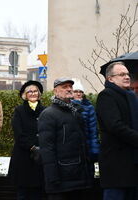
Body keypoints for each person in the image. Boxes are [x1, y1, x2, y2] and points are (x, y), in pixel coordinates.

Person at [38, 78, 93, 200]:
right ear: (55, 91)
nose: (69, 89)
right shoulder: (48, 114)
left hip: (78, 177)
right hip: (60, 180)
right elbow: (47, 150)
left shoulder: (76, 112)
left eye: (70, 87)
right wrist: (52, 178)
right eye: (64, 87)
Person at [96, 62, 138, 200]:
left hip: (132, 162)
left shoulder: (131, 96)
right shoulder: (106, 96)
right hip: (116, 165)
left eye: (127, 74)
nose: (126, 77)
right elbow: (115, 126)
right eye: (121, 74)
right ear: (110, 79)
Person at [8, 80, 45, 200]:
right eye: (30, 92)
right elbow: (19, 133)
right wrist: (32, 147)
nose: (33, 93)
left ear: (39, 94)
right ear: (25, 95)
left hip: (40, 158)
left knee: (37, 193)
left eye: (35, 91)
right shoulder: (19, 111)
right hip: (23, 157)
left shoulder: (45, 110)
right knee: (22, 193)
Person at [71, 79, 100, 163]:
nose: (79, 93)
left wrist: (94, 150)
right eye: (76, 91)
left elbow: (93, 130)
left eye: (81, 91)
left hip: (86, 145)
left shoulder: (89, 107)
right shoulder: (67, 106)